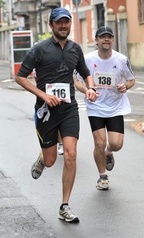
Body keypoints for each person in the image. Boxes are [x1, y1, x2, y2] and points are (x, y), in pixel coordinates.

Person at [15, 7, 97, 223]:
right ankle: (43, 159)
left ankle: (64, 206)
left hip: (69, 109)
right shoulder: (39, 49)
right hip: (46, 111)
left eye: (67, 22)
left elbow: (86, 73)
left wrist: (90, 88)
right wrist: (43, 95)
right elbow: (20, 77)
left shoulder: (75, 49)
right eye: (59, 22)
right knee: (52, 160)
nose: (63, 26)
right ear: (51, 25)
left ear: (70, 24)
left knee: (70, 154)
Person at [77, 26, 135, 190]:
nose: (106, 39)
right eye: (102, 37)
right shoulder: (88, 60)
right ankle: (102, 177)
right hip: (95, 106)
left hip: (115, 106)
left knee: (116, 144)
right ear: (96, 40)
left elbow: (131, 79)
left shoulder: (121, 60)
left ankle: (109, 153)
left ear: (112, 40)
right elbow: (76, 80)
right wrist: (87, 90)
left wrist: (126, 86)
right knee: (99, 143)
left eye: (109, 37)